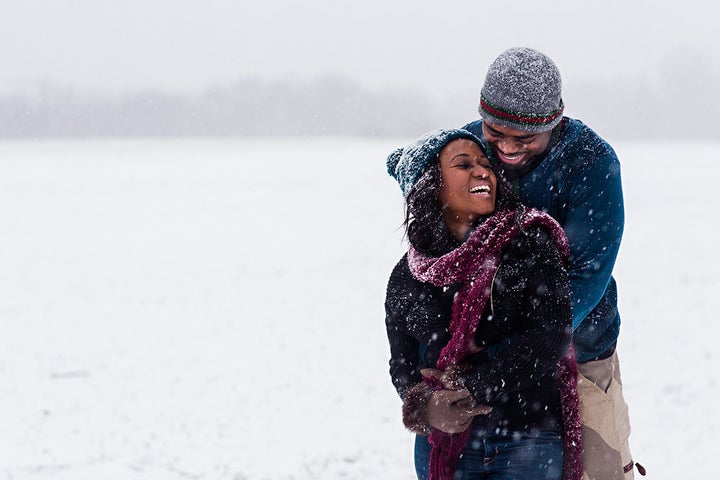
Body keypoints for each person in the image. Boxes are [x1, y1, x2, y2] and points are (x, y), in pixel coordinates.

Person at [463, 47, 644, 479]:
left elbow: (587, 275)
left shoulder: (590, 163)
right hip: (483, 355)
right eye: (495, 131)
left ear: (555, 121)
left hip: (579, 346)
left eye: (524, 139)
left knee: (597, 471)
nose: (506, 147)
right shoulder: (467, 148)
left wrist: (528, 345)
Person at [384, 128, 582, 480]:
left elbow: (549, 336)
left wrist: (472, 389)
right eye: (463, 164)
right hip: (442, 443)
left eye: (484, 163)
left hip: (526, 437)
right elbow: (402, 361)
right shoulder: (410, 273)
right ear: (432, 186)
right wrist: (427, 407)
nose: (483, 171)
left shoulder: (530, 244)